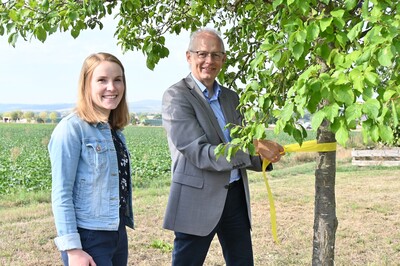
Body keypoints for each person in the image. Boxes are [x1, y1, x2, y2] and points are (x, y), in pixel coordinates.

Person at [161, 28, 285, 266]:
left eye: (216, 55)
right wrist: (255, 146)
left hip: (235, 196)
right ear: (189, 56)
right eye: (202, 54)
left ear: (223, 59)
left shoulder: (231, 98)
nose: (209, 61)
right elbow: (199, 151)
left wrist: (266, 155)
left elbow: (245, 143)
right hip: (197, 199)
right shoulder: (176, 97)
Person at [48, 52, 133, 266]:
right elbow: (62, 192)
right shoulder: (71, 129)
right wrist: (73, 249)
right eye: (102, 80)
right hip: (88, 237)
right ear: (87, 84)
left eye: (117, 80)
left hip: (116, 232)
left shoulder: (113, 130)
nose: (111, 87)